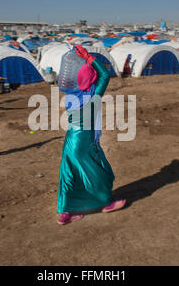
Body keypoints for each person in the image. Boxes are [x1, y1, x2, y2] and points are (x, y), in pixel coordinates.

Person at [57, 45, 126, 225]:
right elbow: (104, 75)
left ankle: (66, 213)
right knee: (98, 171)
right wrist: (88, 57)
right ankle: (106, 203)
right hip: (84, 140)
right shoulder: (92, 95)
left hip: (71, 139)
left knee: (70, 173)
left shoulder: (71, 93)